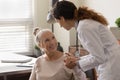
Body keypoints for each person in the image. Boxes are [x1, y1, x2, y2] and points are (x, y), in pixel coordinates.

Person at [52, 1, 120, 80]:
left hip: (112, 68)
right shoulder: (85, 23)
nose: (60, 26)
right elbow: (97, 54)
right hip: (112, 64)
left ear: (62, 18)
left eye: (58, 22)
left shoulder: (83, 27)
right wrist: (77, 59)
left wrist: (76, 63)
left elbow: (99, 57)